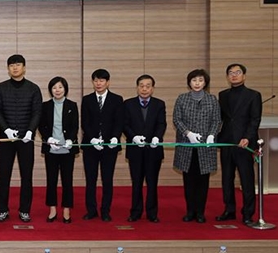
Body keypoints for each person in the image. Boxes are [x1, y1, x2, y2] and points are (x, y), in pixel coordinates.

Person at [0, 54, 42, 223]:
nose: (15, 67)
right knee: (3, 175)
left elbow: (37, 112)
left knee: (26, 176)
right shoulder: (0, 88)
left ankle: (24, 210)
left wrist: (30, 131)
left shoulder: (34, 88)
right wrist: (5, 130)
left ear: (24, 67)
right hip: (6, 139)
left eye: (18, 65)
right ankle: (2, 210)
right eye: (12, 65)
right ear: (8, 68)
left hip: (26, 140)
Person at [173, 68, 221, 223]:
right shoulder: (182, 99)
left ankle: (200, 212)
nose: (197, 83)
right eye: (194, 80)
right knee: (189, 180)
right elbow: (176, 119)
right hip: (187, 145)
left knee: (203, 181)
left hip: (205, 147)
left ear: (205, 82)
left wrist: (212, 135)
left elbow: (217, 121)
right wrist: (188, 133)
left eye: (200, 80)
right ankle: (190, 211)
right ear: (189, 82)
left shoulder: (212, 99)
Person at [216, 63, 262, 226]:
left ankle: (248, 213)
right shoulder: (222, 95)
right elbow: (219, 119)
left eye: (237, 72)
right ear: (227, 76)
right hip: (227, 142)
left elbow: (255, 120)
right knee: (226, 179)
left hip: (244, 143)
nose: (234, 75)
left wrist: (248, 138)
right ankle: (229, 210)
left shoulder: (253, 95)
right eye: (230, 73)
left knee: (246, 179)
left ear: (244, 75)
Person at [81, 68, 124, 222]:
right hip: (90, 146)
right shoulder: (87, 99)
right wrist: (92, 138)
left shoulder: (117, 99)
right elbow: (85, 122)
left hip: (109, 147)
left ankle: (105, 210)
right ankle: (91, 210)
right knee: (90, 180)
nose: (98, 83)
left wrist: (114, 137)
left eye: (101, 80)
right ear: (92, 82)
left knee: (107, 179)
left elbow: (119, 122)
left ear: (108, 82)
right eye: (96, 80)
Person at [123, 74, 167, 223]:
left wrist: (157, 137)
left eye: (148, 86)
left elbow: (162, 124)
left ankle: (152, 213)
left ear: (152, 88)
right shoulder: (128, 104)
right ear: (137, 87)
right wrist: (133, 137)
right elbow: (125, 124)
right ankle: (135, 212)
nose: (144, 89)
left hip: (153, 150)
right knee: (136, 182)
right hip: (135, 150)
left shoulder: (159, 104)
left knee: (152, 182)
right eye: (141, 85)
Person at [38, 76, 78, 224]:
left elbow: (75, 126)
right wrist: (48, 138)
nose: (57, 90)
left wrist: (70, 140)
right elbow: (41, 126)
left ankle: (67, 209)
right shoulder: (45, 106)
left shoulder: (72, 105)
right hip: (52, 149)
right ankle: (52, 209)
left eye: (60, 87)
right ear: (50, 90)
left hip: (67, 150)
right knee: (51, 180)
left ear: (65, 89)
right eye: (54, 87)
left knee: (67, 181)